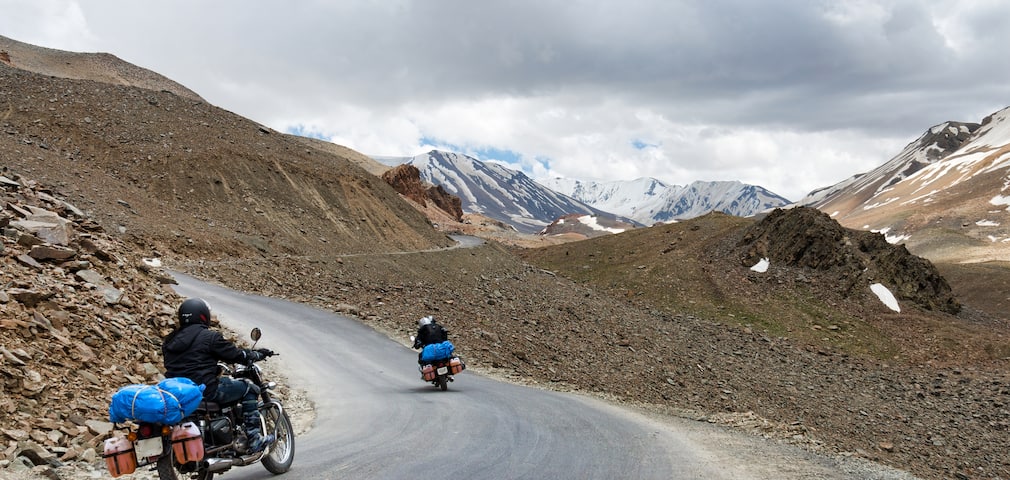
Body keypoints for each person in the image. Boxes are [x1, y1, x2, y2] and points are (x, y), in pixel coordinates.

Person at [162, 298, 275, 454]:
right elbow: (235, 355)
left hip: (178, 393)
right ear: (203, 315)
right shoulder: (209, 337)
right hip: (206, 390)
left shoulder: (169, 341)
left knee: (224, 382)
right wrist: (255, 354)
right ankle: (254, 438)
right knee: (249, 388)